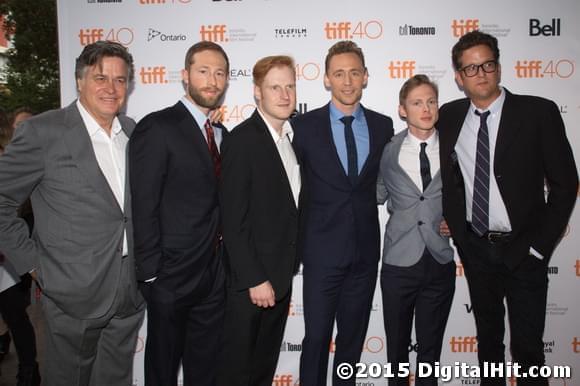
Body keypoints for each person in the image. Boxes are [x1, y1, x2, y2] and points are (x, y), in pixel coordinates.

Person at [0, 41, 145, 386]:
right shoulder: (43, 132)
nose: (111, 88)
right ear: (80, 81)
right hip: (70, 291)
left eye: (120, 80)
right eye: (100, 78)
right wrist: (35, 266)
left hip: (127, 289)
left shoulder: (133, 132)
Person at [439, 30, 578, 385]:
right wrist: (458, 229)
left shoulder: (538, 112)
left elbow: (564, 184)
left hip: (525, 249)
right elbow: (453, 179)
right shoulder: (450, 116)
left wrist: (539, 246)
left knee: (528, 350)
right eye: (470, 68)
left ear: (499, 68)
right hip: (476, 249)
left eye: (487, 64)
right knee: (488, 346)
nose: (480, 73)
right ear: (459, 77)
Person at [292, 40, 394, 386]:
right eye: (339, 74)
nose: (347, 81)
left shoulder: (383, 127)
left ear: (365, 77)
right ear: (326, 79)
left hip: (365, 255)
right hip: (320, 254)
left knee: (352, 344)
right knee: (317, 340)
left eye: (354, 73)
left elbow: (394, 183)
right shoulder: (303, 128)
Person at [129, 41, 229, 386]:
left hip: (214, 276)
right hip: (170, 276)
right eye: (204, 71)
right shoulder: (157, 127)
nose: (212, 80)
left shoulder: (221, 134)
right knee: (163, 369)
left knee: (206, 369)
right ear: (185, 76)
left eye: (220, 73)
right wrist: (152, 274)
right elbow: (143, 204)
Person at [217, 55, 301, 386]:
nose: (284, 95)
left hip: (279, 277)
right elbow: (233, 218)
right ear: (257, 92)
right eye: (275, 87)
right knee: (238, 372)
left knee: (262, 369)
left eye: (290, 86)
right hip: (251, 284)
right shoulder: (243, 140)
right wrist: (254, 279)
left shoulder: (288, 139)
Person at [377, 75, 455, 386]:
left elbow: (469, 193)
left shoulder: (454, 148)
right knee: (396, 353)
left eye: (431, 101)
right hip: (398, 262)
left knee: (430, 354)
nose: (425, 108)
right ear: (402, 110)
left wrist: (458, 223)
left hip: (439, 261)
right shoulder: (388, 150)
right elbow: (378, 193)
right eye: (417, 103)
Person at [0, 107, 40, 386]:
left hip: (13, 255)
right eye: (20, 125)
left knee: (15, 312)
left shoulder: (38, 161)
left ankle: (29, 369)